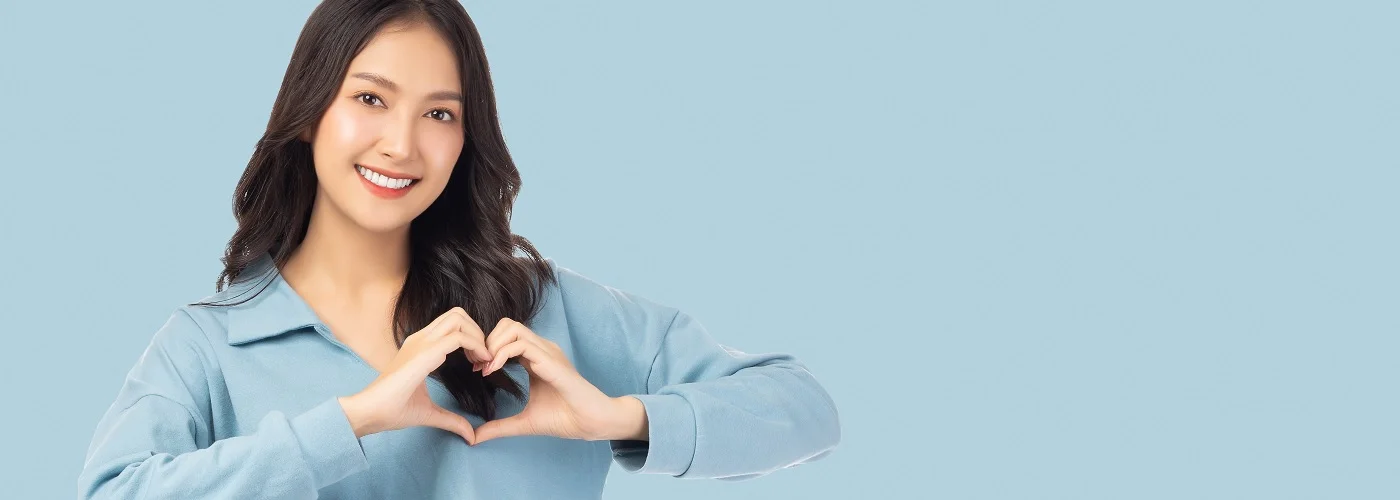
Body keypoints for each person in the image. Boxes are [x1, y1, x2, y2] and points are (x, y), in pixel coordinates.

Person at [76, 1, 840, 498]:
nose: (402, 145)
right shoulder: (209, 346)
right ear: (310, 112)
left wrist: (619, 417)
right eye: (370, 99)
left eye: (439, 113)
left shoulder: (546, 312)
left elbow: (804, 407)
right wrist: (350, 421)